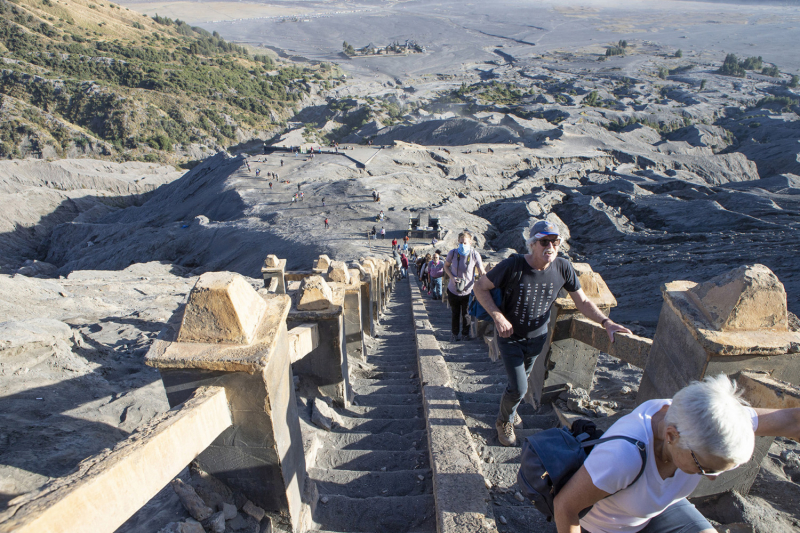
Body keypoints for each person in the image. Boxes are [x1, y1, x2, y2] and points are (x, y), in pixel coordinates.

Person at [555, 374, 800, 533]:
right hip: (605, 527)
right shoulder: (622, 457)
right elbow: (565, 506)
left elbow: (792, 421)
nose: (712, 478)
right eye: (705, 468)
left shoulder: (715, 421)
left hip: (655, 511)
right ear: (671, 436)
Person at [473, 220, 631, 447]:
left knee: (522, 382)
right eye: (544, 241)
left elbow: (583, 302)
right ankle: (503, 422)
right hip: (509, 337)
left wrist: (606, 322)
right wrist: (498, 317)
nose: (551, 246)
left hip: (537, 338)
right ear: (532, 244)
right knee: (519, 387)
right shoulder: (514, 265)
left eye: (555, 241)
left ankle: (512, 410)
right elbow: (480, 287)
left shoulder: (563, 267)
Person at [445, 231, 486, 343]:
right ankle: (454, 334)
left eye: (465, 242)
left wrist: (487, 278)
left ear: (470, 242)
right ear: (458, 242)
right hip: (453, 289)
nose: (462, 245)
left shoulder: (474, 254)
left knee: (466, 314)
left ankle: (465, 334)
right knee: (455, 313)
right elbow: (446, 266)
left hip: (468, 290)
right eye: (461, 242)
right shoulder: (452, 253)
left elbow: (481, 270)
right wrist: (452, 278)